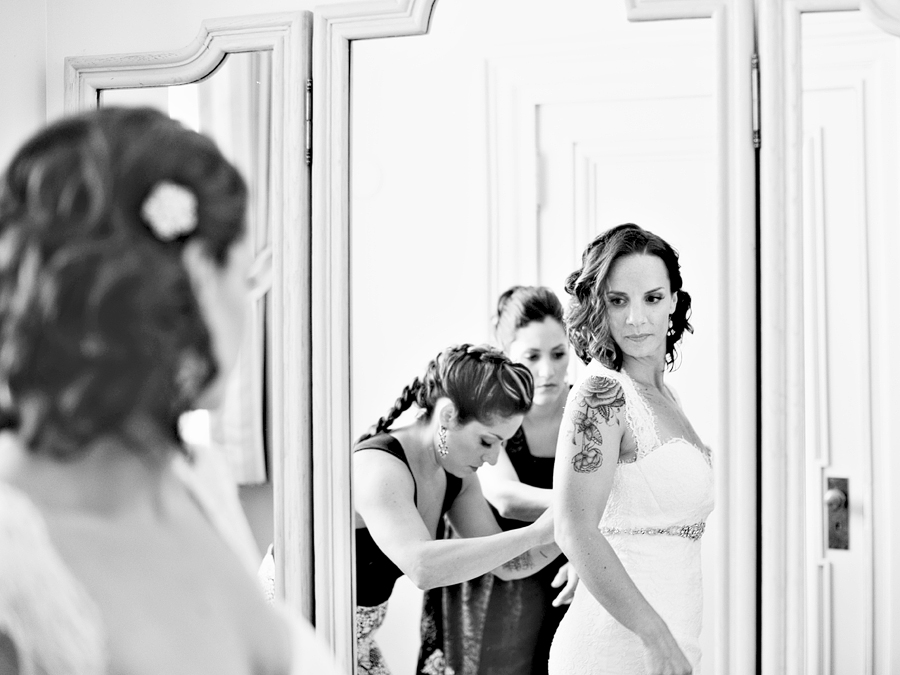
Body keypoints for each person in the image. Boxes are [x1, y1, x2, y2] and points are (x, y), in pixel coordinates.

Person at [0, 107, 337, 675]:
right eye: (246, 274)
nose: (251, 303)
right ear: (200, 275)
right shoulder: (17, 561)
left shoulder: (199, 481)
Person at [547, 224, 714, 675]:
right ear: (599, 306)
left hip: (674, 635)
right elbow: (574, 527)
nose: (635, 318)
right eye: (617, 300)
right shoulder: (602, 394)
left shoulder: (668, 396)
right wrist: (655, 638)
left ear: (674, 302)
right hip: (617, 646)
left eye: (652, 299)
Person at [353, 343, 560, 675]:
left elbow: (506, 565)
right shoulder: (380, 468)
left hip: (358, 640)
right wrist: (538, 531)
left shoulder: (456, 476)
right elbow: (423, 568)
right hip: (296, 621)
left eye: (502, 444)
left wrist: (569, 528)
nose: (493, 459)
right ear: (448, 415)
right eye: (486, 441)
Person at [418, 287, 577, 675]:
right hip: (495, 565)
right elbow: (505, 496)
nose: (547, 371)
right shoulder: (497, 408)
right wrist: (582, 511)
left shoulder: (583, 408)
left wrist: (580, 545)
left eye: (558, 354)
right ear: (508, 355)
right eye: (532, 356)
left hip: (560, 562)